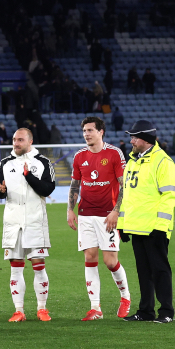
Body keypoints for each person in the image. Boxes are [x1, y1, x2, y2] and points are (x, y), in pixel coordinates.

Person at [66, 116, 131, 321]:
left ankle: (125, 297)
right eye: (84, 131)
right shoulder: (79, 157)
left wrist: (116, 211)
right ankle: (95, 308)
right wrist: (70, 209)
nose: (86, 134)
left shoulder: (114, 153)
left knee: (110, 261)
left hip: (107, 216)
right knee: (89, 257)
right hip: (85, 214)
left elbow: (123, 185)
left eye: (90, 130)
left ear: (101, 132)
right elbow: (75, 185)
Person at [118, 120, 175, 323]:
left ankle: (166, 311)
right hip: (136, 227)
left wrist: (161, 227)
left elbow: (169, 196)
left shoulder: (163, 161)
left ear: (145, 139)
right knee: (143, 271)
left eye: (134, 137)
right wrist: (122, 224)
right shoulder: (133, 161)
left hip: (154, 227)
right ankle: (145, 311)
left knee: (160, 270)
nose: (131, 140)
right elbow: (128, 196)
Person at [0, 128, 56, 322]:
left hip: (35, 221)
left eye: (20, 140)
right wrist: (0, 191)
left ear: (30, 141)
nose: (16, 143)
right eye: (14, 139)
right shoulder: (5, 163)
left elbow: (47, 189)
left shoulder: (43, 162)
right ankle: (19, 310)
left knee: (38, 265)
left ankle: (42, 309)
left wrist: (29, 176)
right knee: (15, 267)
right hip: (13, 223)